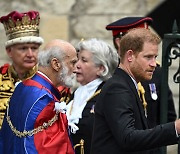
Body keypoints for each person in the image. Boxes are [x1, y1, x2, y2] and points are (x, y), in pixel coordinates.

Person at [91, 28, 180, 154]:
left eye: (155, 57)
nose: (154, 63)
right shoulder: (117, 88)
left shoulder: (128, 84)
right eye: (148, 57)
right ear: (130, 56)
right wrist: (175, 128)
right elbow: (128, 138)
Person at [0, 39, 78, 154]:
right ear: (56, 64)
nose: (75, 69)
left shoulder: (22, 87)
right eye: (72, 63)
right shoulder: (45, 99)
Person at [105, 16, 177, 128]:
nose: (152, 63)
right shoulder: (109, 73)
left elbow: (168, 115)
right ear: (120, 42)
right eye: (138, 39)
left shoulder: (156, 72)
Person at [66, 38, 119, 154]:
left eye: (84, 60)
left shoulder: (109, 94)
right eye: (78, 59)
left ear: (101, 68)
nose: (77, 65)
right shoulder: (77, 93)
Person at [0, 10, 44, 129]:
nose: (30, 54)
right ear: (9, 51)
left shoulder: (50, 83)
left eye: (34, 48)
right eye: (23, 48)